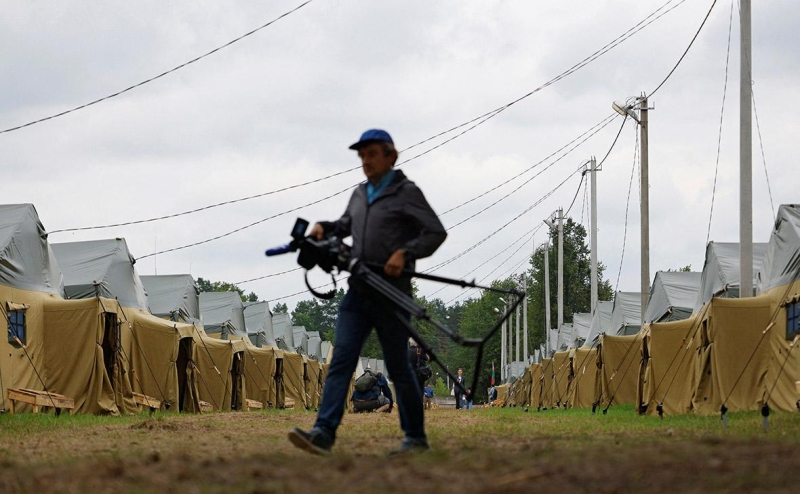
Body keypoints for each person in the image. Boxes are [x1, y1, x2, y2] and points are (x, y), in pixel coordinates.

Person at [289, 129, 447, 456]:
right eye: (362, 156)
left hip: (392, 293)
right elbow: (345, 223)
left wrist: (406, 252)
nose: (366, 161)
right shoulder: (360, 194)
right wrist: (325, 227)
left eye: (372, 154)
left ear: (391, 156)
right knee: (342, 359)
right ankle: (323, 432)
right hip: (358, 292)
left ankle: (415, 438)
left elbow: (435, 232)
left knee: (399, 366)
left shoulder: (407, 193)